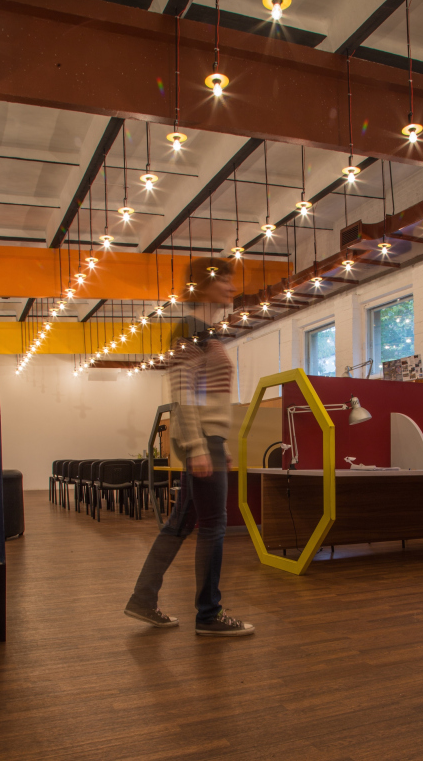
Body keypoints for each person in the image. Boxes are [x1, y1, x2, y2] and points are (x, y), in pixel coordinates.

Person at [125, 257, 255, 637]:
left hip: (208, 441)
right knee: (214, 527)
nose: (232, 287)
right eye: (226, 280)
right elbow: (182, 394)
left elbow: (205, 397)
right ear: (206, 285)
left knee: (179, 524)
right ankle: (208, 616)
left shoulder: (206, 332)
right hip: (201, 443)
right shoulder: (190, 331)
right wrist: (199, 446)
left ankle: (142, 600)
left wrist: (217, 441)